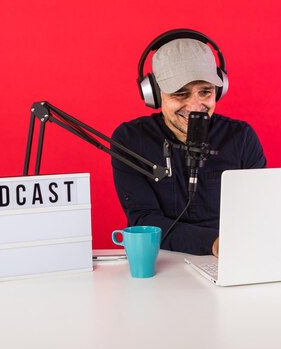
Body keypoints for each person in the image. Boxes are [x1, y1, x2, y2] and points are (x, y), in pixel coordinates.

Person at [111, 30, 266, 256]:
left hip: (233, 257)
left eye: (205, 92)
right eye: (180, 94)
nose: (195, 106)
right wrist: (213, 243)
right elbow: (143, 219)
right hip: (163, 260)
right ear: (154, 94)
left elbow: (258, 211)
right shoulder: (131, 140)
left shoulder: (241, 137)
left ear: (219, 90)